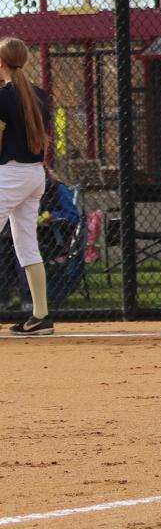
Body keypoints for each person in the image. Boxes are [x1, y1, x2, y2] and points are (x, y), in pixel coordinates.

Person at [0, 36, 55, 336]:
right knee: (26, 245)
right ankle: (40, 316)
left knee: (26, 244)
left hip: (10, 175)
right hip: (35, 174)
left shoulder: (3, 95)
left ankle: (40, 317)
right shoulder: (38, 94)